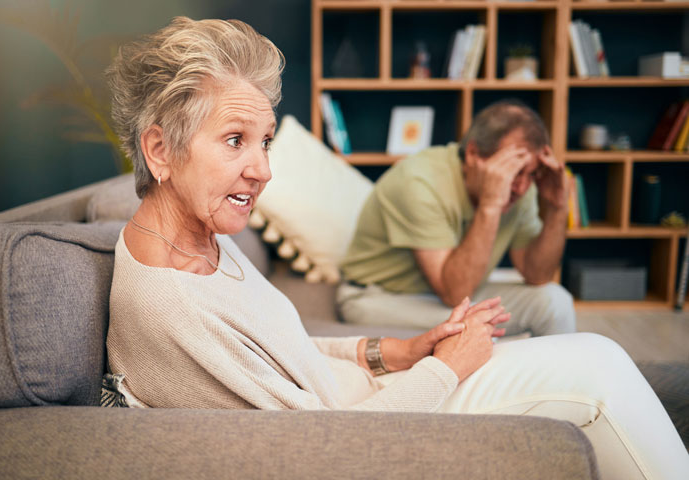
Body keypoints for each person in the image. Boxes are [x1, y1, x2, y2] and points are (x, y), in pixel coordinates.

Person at [105, 16, 689, 480]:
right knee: (598, 374)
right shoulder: (167, 303)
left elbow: (293, 354)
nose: (262, 170)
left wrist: (406, 351)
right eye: (235, 141)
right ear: (159, 150)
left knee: (595, 353)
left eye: (264, 143)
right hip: (382, 425)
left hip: (389, 392)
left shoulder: (201, 237)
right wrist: (441, 368)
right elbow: (312, 450)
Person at [338, 101, 575, 336]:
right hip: (378, 297)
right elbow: (455, 292)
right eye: (511, 169)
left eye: (531, 173)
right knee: (474, 329)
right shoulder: (418, 182)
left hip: (458, 292)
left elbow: (538, 275)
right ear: (473, 153)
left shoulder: (521, 188)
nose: (522, 187)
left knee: (556, 302)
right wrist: (491, 204)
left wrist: (557, 208)